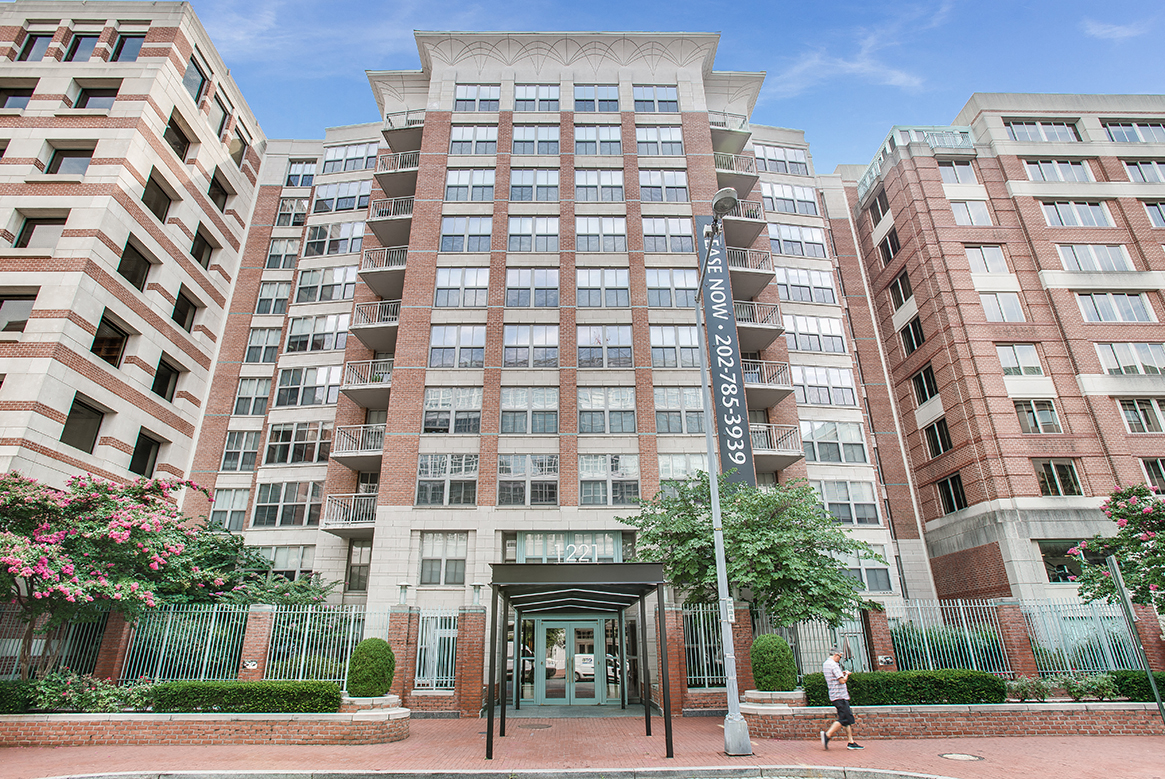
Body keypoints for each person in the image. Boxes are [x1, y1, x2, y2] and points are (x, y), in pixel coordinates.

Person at [820, 647, 863, 750]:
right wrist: (847, 675)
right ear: (836, 655)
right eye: (840, 656)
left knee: (846, 719)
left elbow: (834, 677)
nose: (840, 658)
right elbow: (842, 681)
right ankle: (827, 735)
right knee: (844, 718)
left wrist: (841, 674)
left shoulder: (826, 664)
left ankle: (851, 742)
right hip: (840, 696)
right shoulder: (834, 665)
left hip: (834, 695)